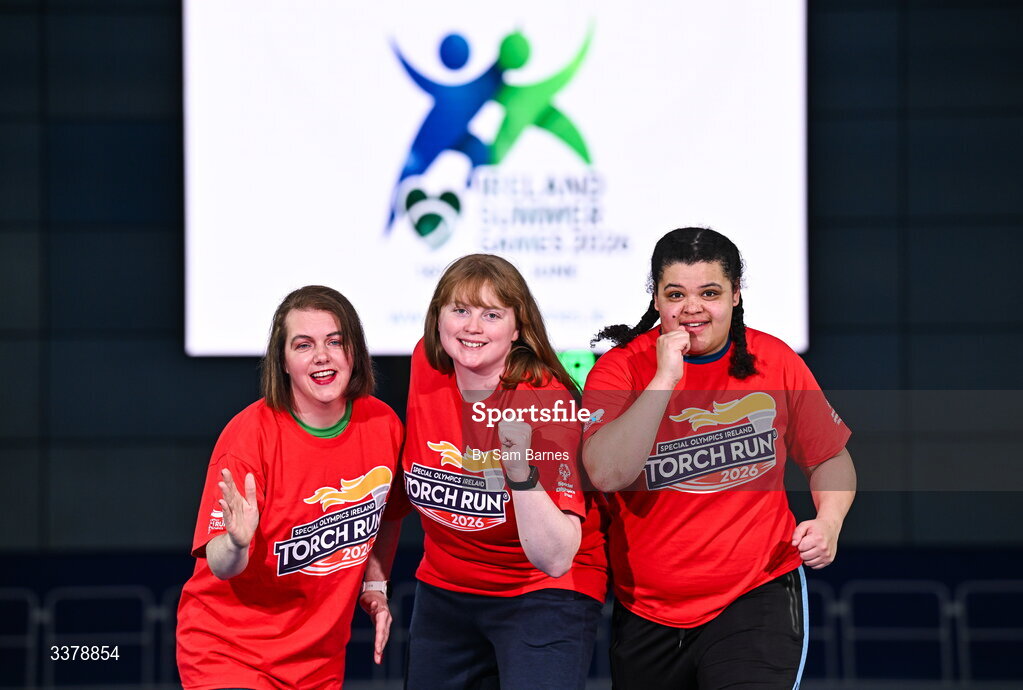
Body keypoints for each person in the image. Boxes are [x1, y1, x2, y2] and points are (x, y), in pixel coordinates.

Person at [583, 228, 856, 689]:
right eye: (675, 294)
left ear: (735, 296)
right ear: (656, 299)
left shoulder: (776, 360)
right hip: (646, 609)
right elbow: (607, 474)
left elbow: (829, 457)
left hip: (755, 594)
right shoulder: (620, 368)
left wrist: (829, 521)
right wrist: (664, 380)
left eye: (709, 292)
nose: (692, 308)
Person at [367, 254, 607, 690]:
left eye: (491, 314)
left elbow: (555, 557)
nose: (472, 327)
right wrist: (377, 581)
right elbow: (402, 481)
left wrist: (520, 473)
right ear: (437, 318)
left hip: (539, 591)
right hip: (446, 586)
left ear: (517, 329)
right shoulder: (428, 363)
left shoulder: (544, 403)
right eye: (460, 310)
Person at [176, 285, 403, 690]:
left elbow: (387, 511)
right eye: (304, 345)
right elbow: (220, 565)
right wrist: (237, 543)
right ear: (282, 361)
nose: (322, 355)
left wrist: (375, 584)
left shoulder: (383, 425)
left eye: (336, 341)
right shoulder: (248, 438)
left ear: (355, 351)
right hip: (229, 654)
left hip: (318, 663)